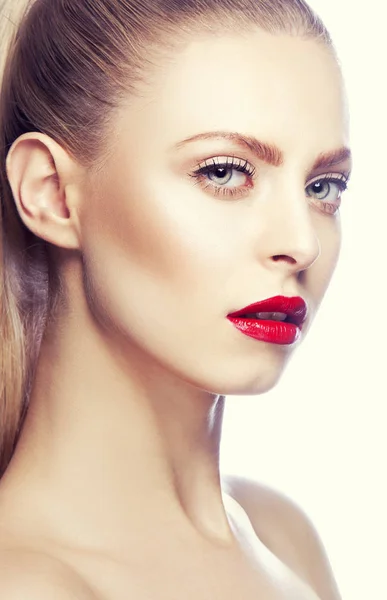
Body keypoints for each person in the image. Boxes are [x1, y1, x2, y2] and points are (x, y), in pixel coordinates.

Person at [0, 0, 351, 597]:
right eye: (223, 172)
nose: (301, 243)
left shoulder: (282, 536)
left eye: (323, 187)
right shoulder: (25, 582)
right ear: (52, 194)